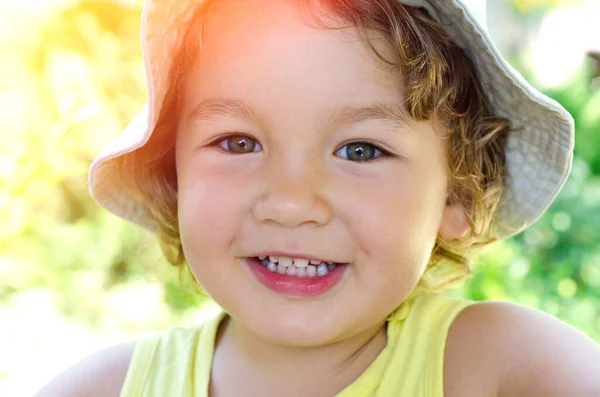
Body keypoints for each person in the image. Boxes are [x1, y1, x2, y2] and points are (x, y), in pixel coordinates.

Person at [35, 0, 600, 396]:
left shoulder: (498, 364)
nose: (291, 202)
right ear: (176, 174)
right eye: (238, 142)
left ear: (457, 192)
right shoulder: (108, 387)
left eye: (359, 150)